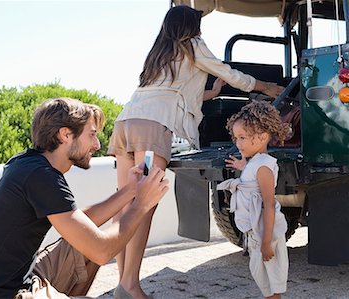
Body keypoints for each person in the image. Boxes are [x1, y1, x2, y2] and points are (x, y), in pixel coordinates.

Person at [107, 5, 284, 299]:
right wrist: (265, 87)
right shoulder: (193, 45)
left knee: (128, 205)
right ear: (191, 27)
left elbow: (171, 91)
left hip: (125, 125)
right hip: (152, 129)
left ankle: (122, 284)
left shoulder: (160, 53)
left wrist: (210, 94)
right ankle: (130, 286)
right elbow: (229, 73)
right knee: (144, 205)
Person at [0, 97, 169, 298]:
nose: (96, 145)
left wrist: (130, 190)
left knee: (85, 238)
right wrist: (141, 205)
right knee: (95, 245)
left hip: (20, 279)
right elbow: (103, 252)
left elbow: (81, 220)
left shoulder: (28, 164)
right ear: (65, 135)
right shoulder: (41, 176)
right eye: (91, 135)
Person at [217, 100, 290, 299]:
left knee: (271, 283)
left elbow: (269, 205)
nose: (237, 143)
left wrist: (266, 242)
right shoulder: (256, 163)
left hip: (264, 234)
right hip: (257, 233)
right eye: (236, 137)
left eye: (243, 137)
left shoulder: (264, 167)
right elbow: (253, 180)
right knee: (263, 278)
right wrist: (244, 168)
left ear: (262, 137)